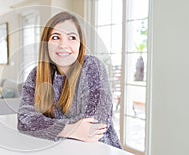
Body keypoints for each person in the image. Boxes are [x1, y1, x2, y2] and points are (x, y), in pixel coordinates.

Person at [17, 11, 121, 149]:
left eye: (72, 37)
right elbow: (24, 120)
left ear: (80, 44)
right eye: (55, 37)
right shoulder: (37, 74)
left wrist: (44, 126)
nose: (63, 45)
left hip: (98, 149)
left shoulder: (91, 67)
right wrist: (70, 129)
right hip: (57, 149)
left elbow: (95, 124)